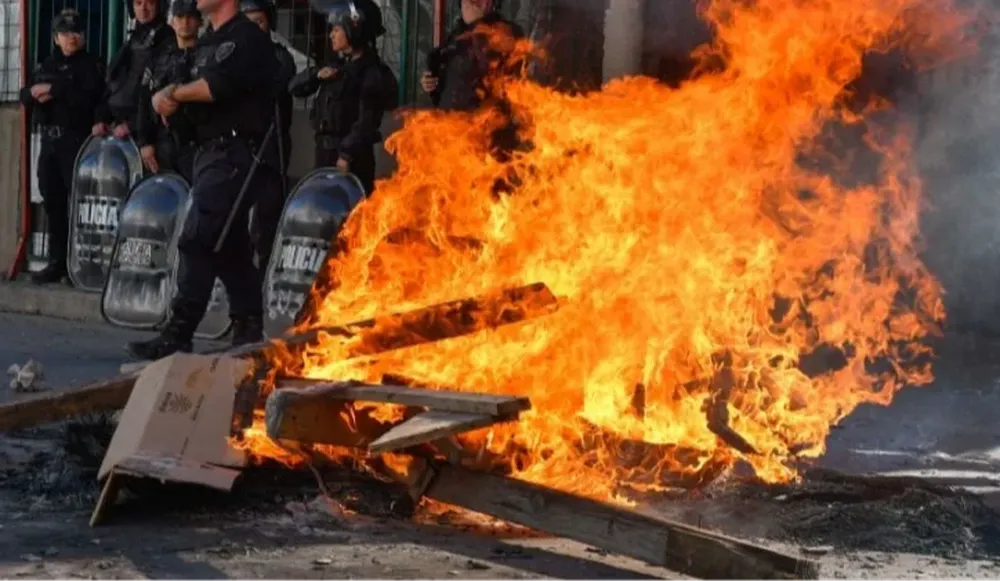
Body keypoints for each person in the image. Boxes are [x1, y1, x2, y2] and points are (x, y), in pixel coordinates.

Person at [125, 0, 280, 359]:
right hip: (208, 152)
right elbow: (190, 101)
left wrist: (174, 95)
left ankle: (179, 333)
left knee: (199, 237)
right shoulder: (208, 41)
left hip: (238, 151)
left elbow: (215, 86)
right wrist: (169, 108)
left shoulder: (244, 37)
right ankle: (248, 328)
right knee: (230, 245)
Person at [20, 10, 106, 285]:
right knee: (52, 200)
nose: (72, 37)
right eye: (66, 33)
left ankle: (78, 264)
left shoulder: (90, 65)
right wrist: (39, 91)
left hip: (76, 140)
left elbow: (87, 97)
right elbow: (26, 94)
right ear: (56, 38)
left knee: (78, 203)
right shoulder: (48, 63)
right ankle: (57, 262)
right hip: (50, 141)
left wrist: (54, 90)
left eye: (76, 32)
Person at [288, 0, 388, 194]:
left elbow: (366, 121)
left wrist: (346, 154)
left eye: (337, 29)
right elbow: (294, 88)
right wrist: (316, 75)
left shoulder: (371, 73)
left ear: (354, 29)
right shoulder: (336, 67)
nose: (331, 34)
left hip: (350, 160)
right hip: (324, 154)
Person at [239, 0, 296, 273]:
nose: (254, 29)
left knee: (267, 216)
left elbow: (283, 79)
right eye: (248, 23)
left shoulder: (280, 56)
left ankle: (263, 276)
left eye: (259, 22)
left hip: (271, 147)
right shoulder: (232, 57)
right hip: (239, 147)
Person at [136, 0, 203, 181]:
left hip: (196, 144)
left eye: (190, 17)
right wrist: (145, 142)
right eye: (180, 17)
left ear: (200, 22)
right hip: (162, 144)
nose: (185, 22)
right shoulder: (158, 58)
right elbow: (144, 100)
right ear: (171, 21)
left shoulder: (207, 57)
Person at [420, 0, 524, 112]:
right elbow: (447, 72)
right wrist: (430, 82)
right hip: (448, 120)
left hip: (484, 120)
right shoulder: (456, 36)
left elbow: (492, 72)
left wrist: (477, 25)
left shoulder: (505, 33)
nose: (469, 4)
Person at [93, 0, 173, 139]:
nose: (143, 8)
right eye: (138, 3)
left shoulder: (168, 41)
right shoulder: (133, 41)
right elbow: (112, 85)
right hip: (117, 130)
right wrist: (101, 119)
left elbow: (158, 95)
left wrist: (133, 125)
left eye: (150, 3)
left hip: (149, 135)